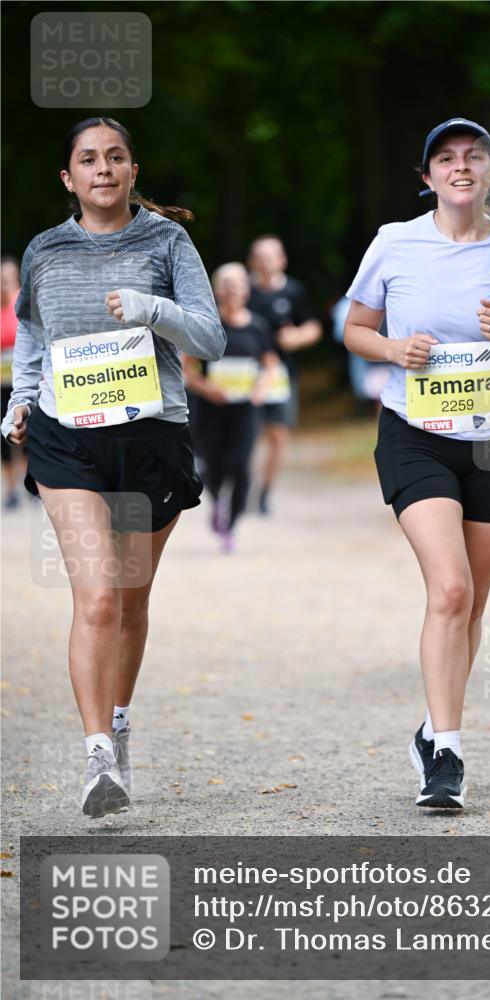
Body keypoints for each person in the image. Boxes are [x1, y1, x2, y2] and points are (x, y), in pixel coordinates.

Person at [1, 117, 226, 819]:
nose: (103, 168)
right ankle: (97, 753)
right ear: (68, 178)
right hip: (68, 440)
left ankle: (119, 724)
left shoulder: (167, 241)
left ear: (132, 171)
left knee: (128, 601)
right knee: (96, 598)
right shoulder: (45, 250)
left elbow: (211, 338)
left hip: (151, 439)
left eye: (115, 157)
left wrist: (152, 309)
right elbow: (33, 335)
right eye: (88, 159)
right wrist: (21, 401)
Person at [344, 118, 490, 810]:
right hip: (415, 433)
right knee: (450, 589)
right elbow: (353, 329)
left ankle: (431, 727)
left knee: (472, 601)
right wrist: (392, 349)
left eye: (473, 157)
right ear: (427, 176)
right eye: (445, 158)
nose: (460, 166)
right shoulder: (394, 242)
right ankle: (447, 754)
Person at [183, 263, 278, 552]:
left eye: (237, 283)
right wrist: (206, 388)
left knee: (240, 466)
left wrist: (261, 388)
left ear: (246, 290)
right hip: (210, 409)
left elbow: (270, 365)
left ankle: (231, 525)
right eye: (226, 283)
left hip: (245, 409)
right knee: (214, 465)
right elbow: (187, 369)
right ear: (216, 291)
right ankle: (217, 502)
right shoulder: (207, 326)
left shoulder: (257, 326)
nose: (232, 288)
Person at [247, 235, 322, 514]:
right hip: (247, 376)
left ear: (282, 260)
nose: (266, 262)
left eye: (271, 256)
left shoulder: (293, 291)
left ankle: (265, 492)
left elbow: (313, 327)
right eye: (260, 257)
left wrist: (297, 337)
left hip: (281, 375)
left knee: (278, 435)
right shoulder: (243, 291)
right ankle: (241, 485)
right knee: (246, 435)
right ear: (252, 261)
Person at [1, 256, 24, 509]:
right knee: (4, 436)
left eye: (7, 277)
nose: (3, 282)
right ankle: (11, 489)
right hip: (1, 384)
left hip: (24, 381)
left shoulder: (22, 302)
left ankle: (29, 481)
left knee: (26, 430)